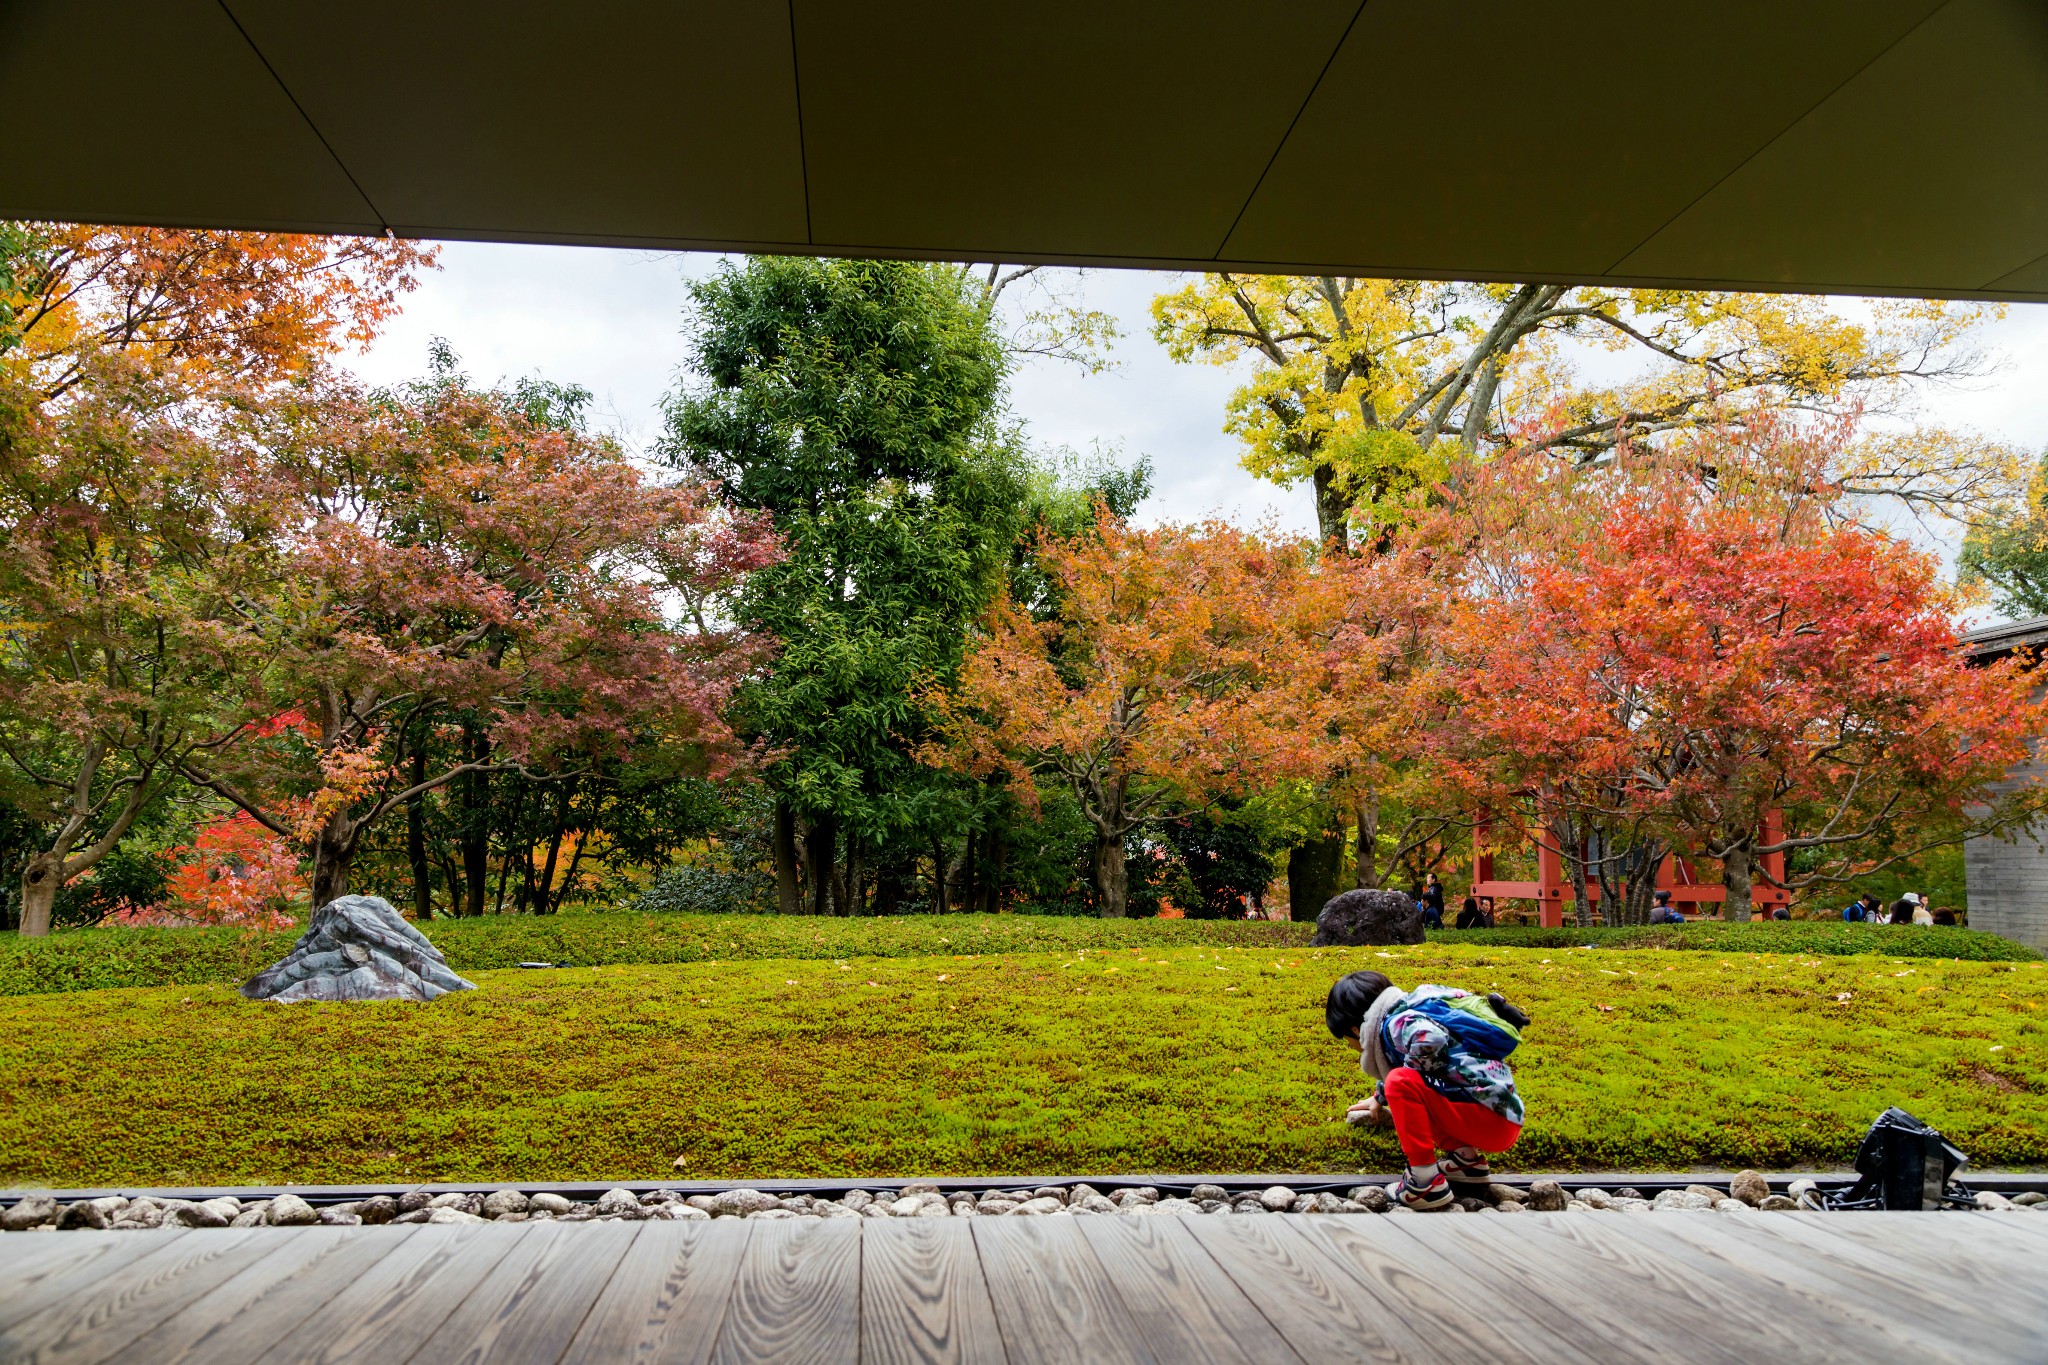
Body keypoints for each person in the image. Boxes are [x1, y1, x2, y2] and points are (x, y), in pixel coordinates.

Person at [1329, 971, 1528, 1211]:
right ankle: (1466, 1163)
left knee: (1399, 1081)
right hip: (1500, 1115)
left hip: (1488, 1120)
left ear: (1354, 1029)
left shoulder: (1397, 1023)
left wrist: (1396, 1087)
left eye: (1346, 1039)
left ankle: (1424, 1183)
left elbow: (1430, 1041)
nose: (1351, 1046)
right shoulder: (1417, 1004)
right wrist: (1379, 1098)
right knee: (1407, 1081)